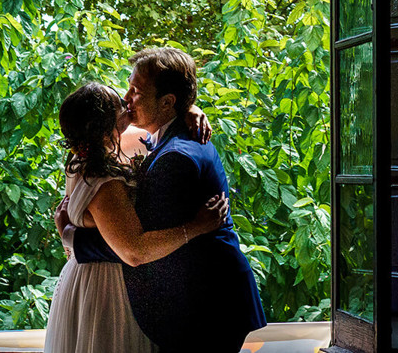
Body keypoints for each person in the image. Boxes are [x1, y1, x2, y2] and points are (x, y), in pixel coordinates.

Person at [77, 47, 268, 353]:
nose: (126, 98)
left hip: (206, 307)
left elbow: (140, 244)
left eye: (136, 91)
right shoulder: (170, 135)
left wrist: (75, 241)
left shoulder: (175, 157)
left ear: (167, 102)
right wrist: (189, 109)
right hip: (204, 298)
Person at [46, 82, 230, 353]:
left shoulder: (91, 152)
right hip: (106, 290)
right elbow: (134, 250)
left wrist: (186, 108)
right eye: (120, 103)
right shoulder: (104, 182)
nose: (127, 101)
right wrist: (196, 226)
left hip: (89, 277)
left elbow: (157, 124)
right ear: (106, 124)